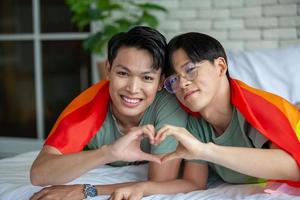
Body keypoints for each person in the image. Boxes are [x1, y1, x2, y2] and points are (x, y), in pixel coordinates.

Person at [106, 32, 300, 200]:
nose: (182, 84)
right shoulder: (195, 123)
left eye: (190, 70)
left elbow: (294, 167)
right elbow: (193, 183)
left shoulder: (255, 110)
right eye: (174, 79)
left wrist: (205, 151)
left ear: (220, 66)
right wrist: (140, 188)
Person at [29, 26, 187, 199]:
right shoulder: (89, 105)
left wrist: (86, 190)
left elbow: (160, 182)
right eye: (123, 73)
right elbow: (38, 173)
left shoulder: (168, 104)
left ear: (160, 82)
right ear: (108, 70)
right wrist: (108, 152)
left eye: (147, 78)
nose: (133, 89)